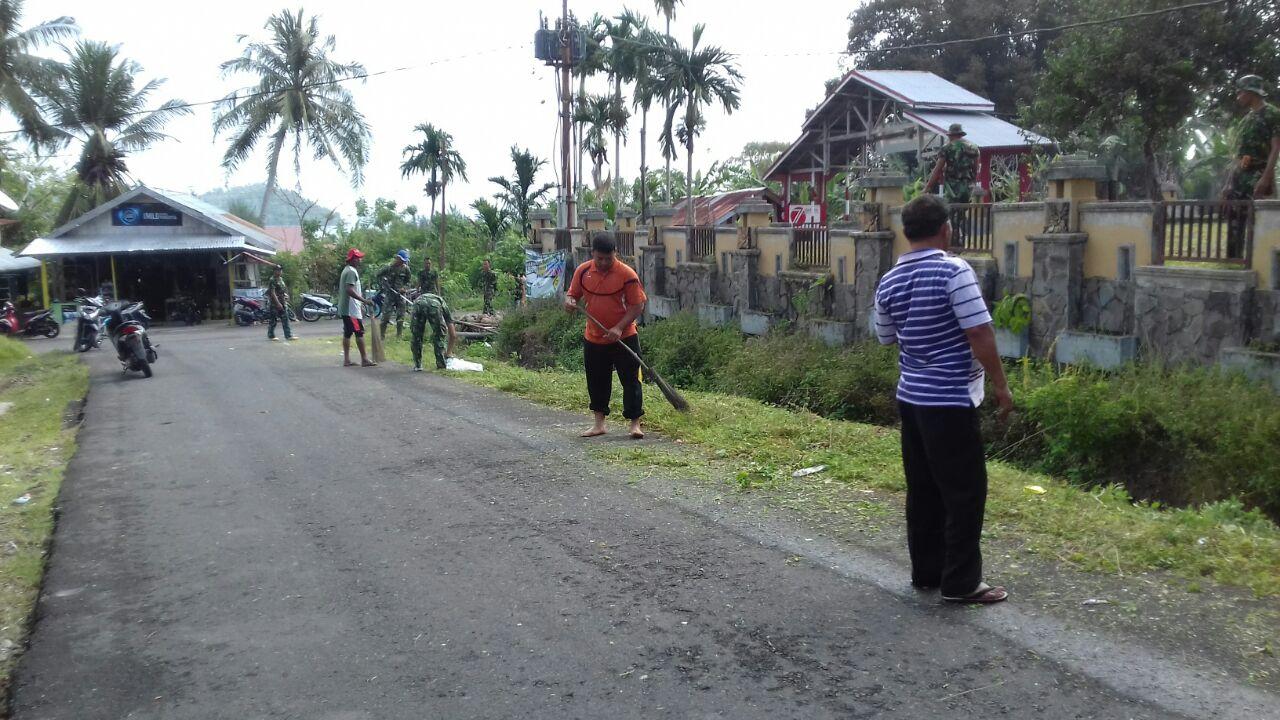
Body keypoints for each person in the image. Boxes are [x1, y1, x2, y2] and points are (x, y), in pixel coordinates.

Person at [873, 194, 1013, 605]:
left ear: (905, 231)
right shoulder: (955, 271)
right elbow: (979, 333)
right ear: (946, 229)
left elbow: (885, 337)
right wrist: (1001, 385)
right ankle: (962, 583)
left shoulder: (890, 279)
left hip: (911, 399)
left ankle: (927, 573)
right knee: (965, 491)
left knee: (923, 489)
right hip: (950, 399)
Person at [563, 232, 647, 439]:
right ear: (593, 254)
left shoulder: (627, 275)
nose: (603, 263)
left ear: (615, 254)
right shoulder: (583, 271)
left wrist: (619, 327)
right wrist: (570, 302)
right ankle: (599, 424)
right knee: (597, 379)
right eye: (599, 258)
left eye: (608, 259)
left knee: (631, 380)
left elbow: (637, 306)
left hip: (624, 336)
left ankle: (635, 424)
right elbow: (572, 295)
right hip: (594, 336)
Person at [1224, 74, 1280, 257]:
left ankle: (1259, 260)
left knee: (1260, 220)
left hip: (1259, 174)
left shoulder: (1273, 114)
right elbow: (1238, 156)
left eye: (1240, 92)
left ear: (1250, 92)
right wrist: (1228, 183)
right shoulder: (1245, 120)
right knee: (1234, 220)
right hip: (1240, 176)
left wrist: (1266, 177)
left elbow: (1276, 148)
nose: (1238, 96)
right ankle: (1234, 260)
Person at [337, 248, 376, 367]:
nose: (360, 260)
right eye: (358, 258)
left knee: (348, 333)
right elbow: (349, 290)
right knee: (359, 332)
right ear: (352, 259)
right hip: (351, 309)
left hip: (347, 308)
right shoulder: (351, 272)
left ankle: (347, 360)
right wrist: (364, 300)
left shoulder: (347, 270)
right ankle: (364, 359)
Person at [926, 123, 981, 204]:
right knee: (963, 210)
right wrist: (973, 183)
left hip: (952, 188)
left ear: (950, 135)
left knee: (951, 210)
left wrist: (928, 187)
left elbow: (937, 169)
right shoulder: (974, 147)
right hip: (967, 186)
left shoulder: (947, 148)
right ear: (961, 134)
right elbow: (975, 169)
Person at [409, 292, 457, 371]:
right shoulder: (443, 305)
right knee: (439, 335)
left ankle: (417, 365)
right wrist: (448, 353)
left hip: (418, 303)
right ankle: (441, 365)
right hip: (434, 306)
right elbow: (453, 335)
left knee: (416, 335)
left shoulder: (438, 300)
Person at [376, 249, 413, 338]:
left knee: (400, 317)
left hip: (400, 296)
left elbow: (408, 281)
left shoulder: (406, 269)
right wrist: (383, 285)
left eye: (405, 261)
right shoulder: (388, 267)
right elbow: (378, 275)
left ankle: (399, 336)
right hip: (390, 295)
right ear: (397, 258)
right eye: (402, 260)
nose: (403, 262)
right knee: (386, 317)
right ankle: (382, 336)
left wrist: (404, 288)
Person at [265, 264, 295, 342]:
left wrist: (286, 295)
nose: (279, 272)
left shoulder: (281, 279)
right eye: (278, 270)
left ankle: (288, 335)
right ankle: (271, 335)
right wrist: (278, 303)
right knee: (273, 320)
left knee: (285, 319)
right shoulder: (272, 280)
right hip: (274, 303)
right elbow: (272, 293)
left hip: (283, 301)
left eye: (280, 270)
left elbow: (282, 290)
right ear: (274, 271)